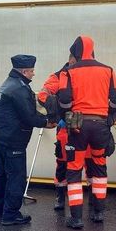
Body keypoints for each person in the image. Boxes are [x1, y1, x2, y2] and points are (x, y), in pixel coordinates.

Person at [58, 36, 116, 228]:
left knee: (74, 168)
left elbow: (64, 100)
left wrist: (68, 116)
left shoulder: (68, 72)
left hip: (77, 124)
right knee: (99, 166)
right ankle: (99, 212)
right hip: (101, 124)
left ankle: (76, 218)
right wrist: (107, 114)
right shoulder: (108, 70)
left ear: (76, 52)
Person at [0, 54, 55, 226]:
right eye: (32, 71)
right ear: (24, 71)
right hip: (12, 140)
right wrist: (47, 122)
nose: (33, 74)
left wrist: (42, 118)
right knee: (16, 176)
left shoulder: (9, 83)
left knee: (2, 174)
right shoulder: (20, 88)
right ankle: (11, 215)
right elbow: (28, 117)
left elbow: (24, 112)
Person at [37, 56, 75, 211]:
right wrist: (58, 116)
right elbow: (43, 95)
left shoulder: (84, 74)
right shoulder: (58, 76)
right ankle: (60, 197)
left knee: (88, 163)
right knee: (62, 163)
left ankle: (91, 200)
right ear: (71, 61)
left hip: (83, 126)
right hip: (65, 127)